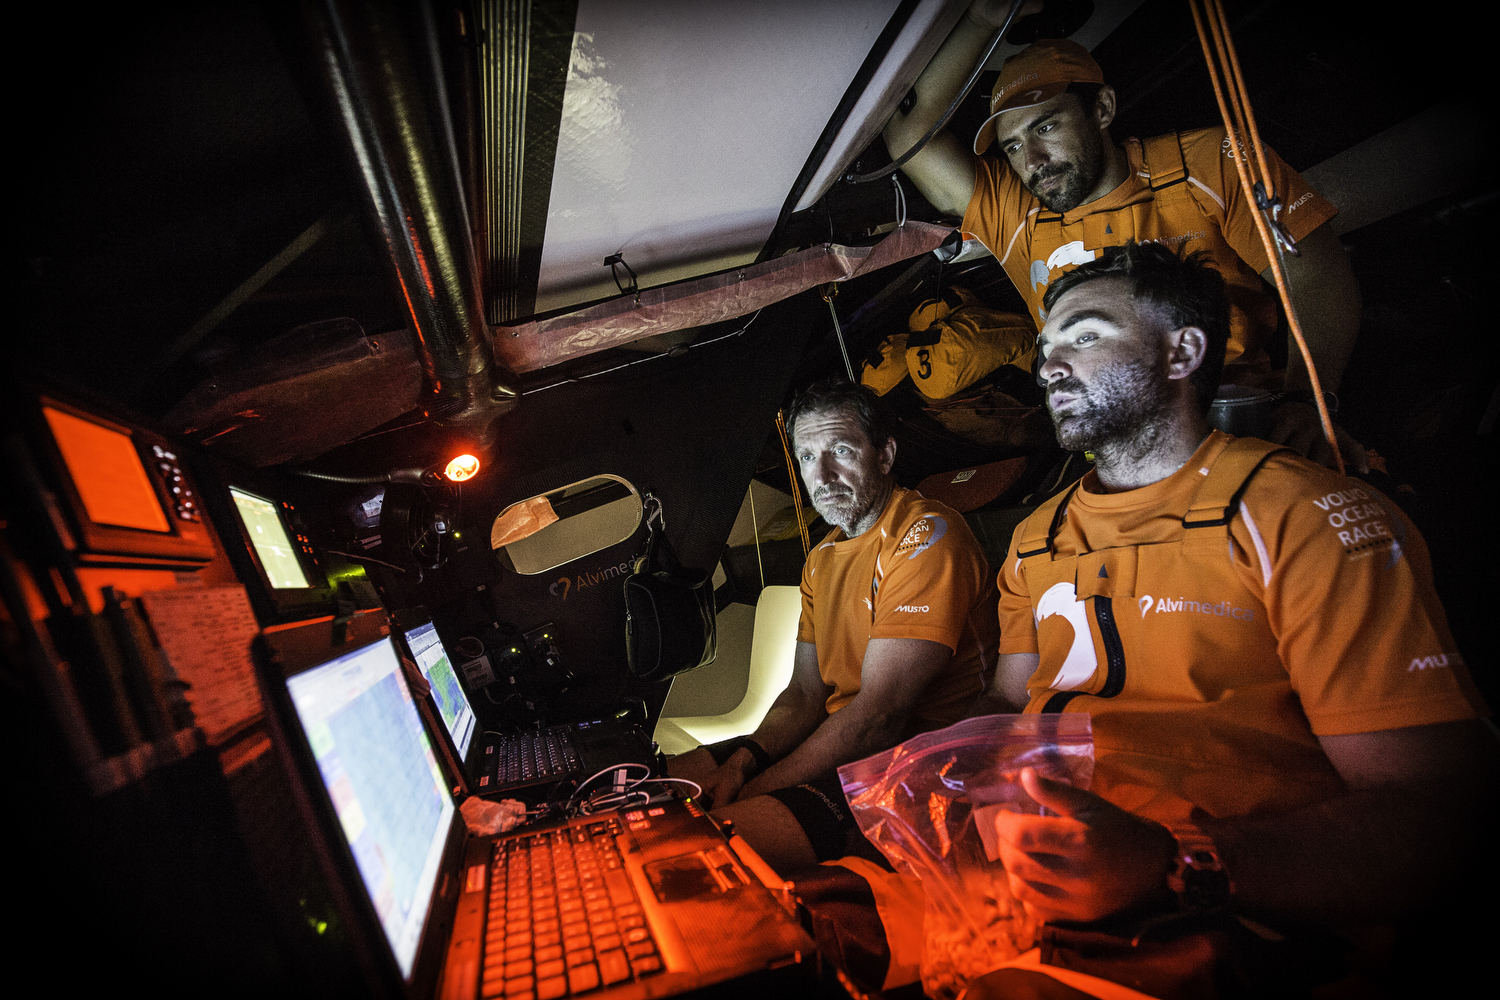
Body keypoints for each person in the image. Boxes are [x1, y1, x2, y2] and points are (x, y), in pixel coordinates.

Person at [971, 241, 1492, 992]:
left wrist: (1175, 861)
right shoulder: (1034, 536)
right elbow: (1004, 702)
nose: (1049, 365)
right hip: (1028, 867)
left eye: (1084, 336)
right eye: (1046, 346)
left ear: (1182, 352)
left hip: (1227, 908)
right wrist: (934, 788)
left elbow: (1440, 819)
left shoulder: (1302, 517)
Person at [883, 2, 1366, 471]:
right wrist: (977, 19)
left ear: (1102, 108)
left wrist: (1309, 399)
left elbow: (1314, 276)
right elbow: (907, 137)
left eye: (1046, 127)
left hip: (1232, 421)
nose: (1032, 160)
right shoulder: (1012, 210)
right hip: (1110, 450)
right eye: (1012, 145)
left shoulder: (1207, 162)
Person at [668, 379, 1000, 872]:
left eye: (840, 450)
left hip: (922, 761)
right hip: (847, 738)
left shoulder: (926, 536)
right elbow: (804, 695)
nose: (820, 475)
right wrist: (742, 761)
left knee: (702, 847)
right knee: (665, 782)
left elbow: (880, 715)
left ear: (884, 456)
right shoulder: (821, 558)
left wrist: (753, 791)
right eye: (806, 457)